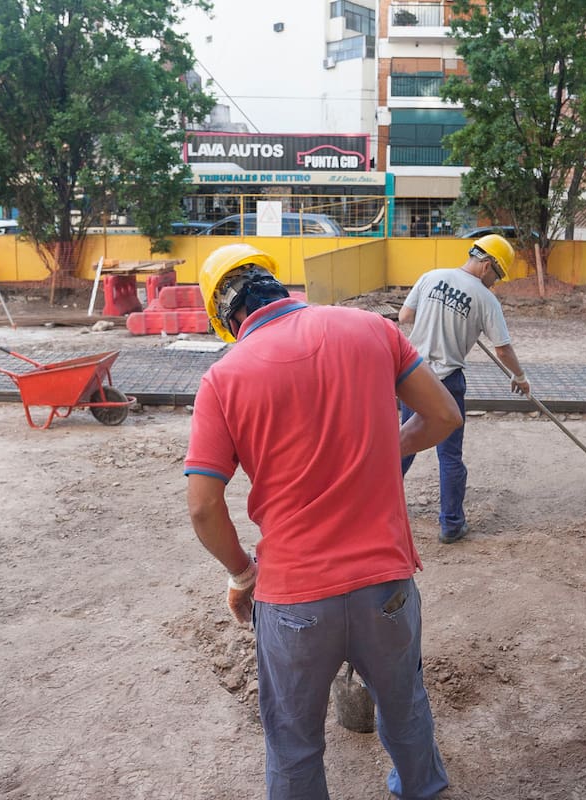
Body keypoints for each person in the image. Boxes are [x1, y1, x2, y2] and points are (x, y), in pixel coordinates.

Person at [184, 243, 461, 800]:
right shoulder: (370, 329)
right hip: (384, 583)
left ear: (226, 317)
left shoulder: (224, 377)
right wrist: (387, 450)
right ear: (276, 284)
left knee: (293, 741)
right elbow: (443, 416)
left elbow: (202, 507)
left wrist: (242, 576)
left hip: (293, 599)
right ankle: (422, 789)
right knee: (405, 708)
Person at [398, 233, 529, 543]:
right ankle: (452, 524)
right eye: (497, 275)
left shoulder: (431, 276)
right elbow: (503, 350)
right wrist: (520, 377)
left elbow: (405, 317)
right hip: (446, 382)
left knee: (403, 443)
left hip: (413, 376)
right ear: (487, 265)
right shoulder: (485, 300)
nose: (495, 282)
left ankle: (374, 506)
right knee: (450, 456)